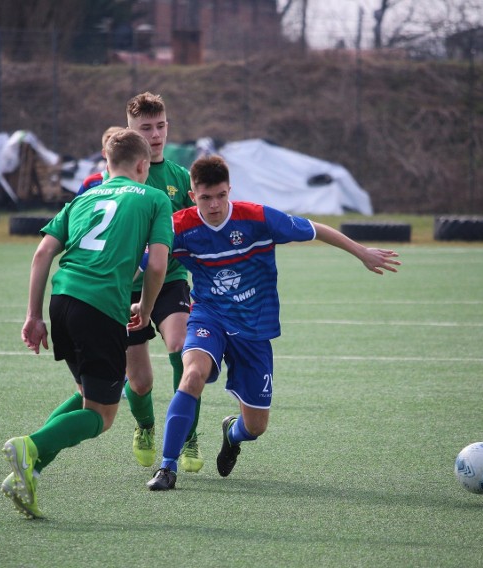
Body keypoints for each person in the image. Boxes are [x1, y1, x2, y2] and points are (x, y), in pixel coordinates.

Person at [146, 155, 401, 491]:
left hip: (254, 328)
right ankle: (167, 467)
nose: (214, 205)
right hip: (210, 316)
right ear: (193, 197)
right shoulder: (181, 226)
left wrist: (361, 252)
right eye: (205, 198)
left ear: (229, 191)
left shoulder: (256, 217)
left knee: (255, 427)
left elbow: (315, 229)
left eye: (221, 195)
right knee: (193, 373)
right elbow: (146, 262)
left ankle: (231, 433)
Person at [1, 129, 173, 519]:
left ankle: (29, 473)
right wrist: (145, 307)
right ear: (143, 165)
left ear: (107, 164)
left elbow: (43, 252)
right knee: (103, 416)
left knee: (86, 395)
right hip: (100, 307)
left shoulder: (84, 197)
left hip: (62, 301)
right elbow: (159, 264)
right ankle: (30, 446)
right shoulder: (154, 198)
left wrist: (33, 315)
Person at [119, 92, 204, 473]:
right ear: (130, 131)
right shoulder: (120, 176)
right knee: (138, 382)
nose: (155, 135)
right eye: (145, 128)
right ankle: (146, 426)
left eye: (160, 126)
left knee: (183, 347)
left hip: (169, 279)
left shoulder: (180, 177)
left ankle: (186, 433)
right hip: (126, 287)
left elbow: (194, 229)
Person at [79, 125, 123, 194]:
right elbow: (78, 204)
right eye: (111, 150)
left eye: (122, 149)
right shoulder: (91, 182)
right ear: (104, 153)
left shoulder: (139, 179)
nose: (117, 154)